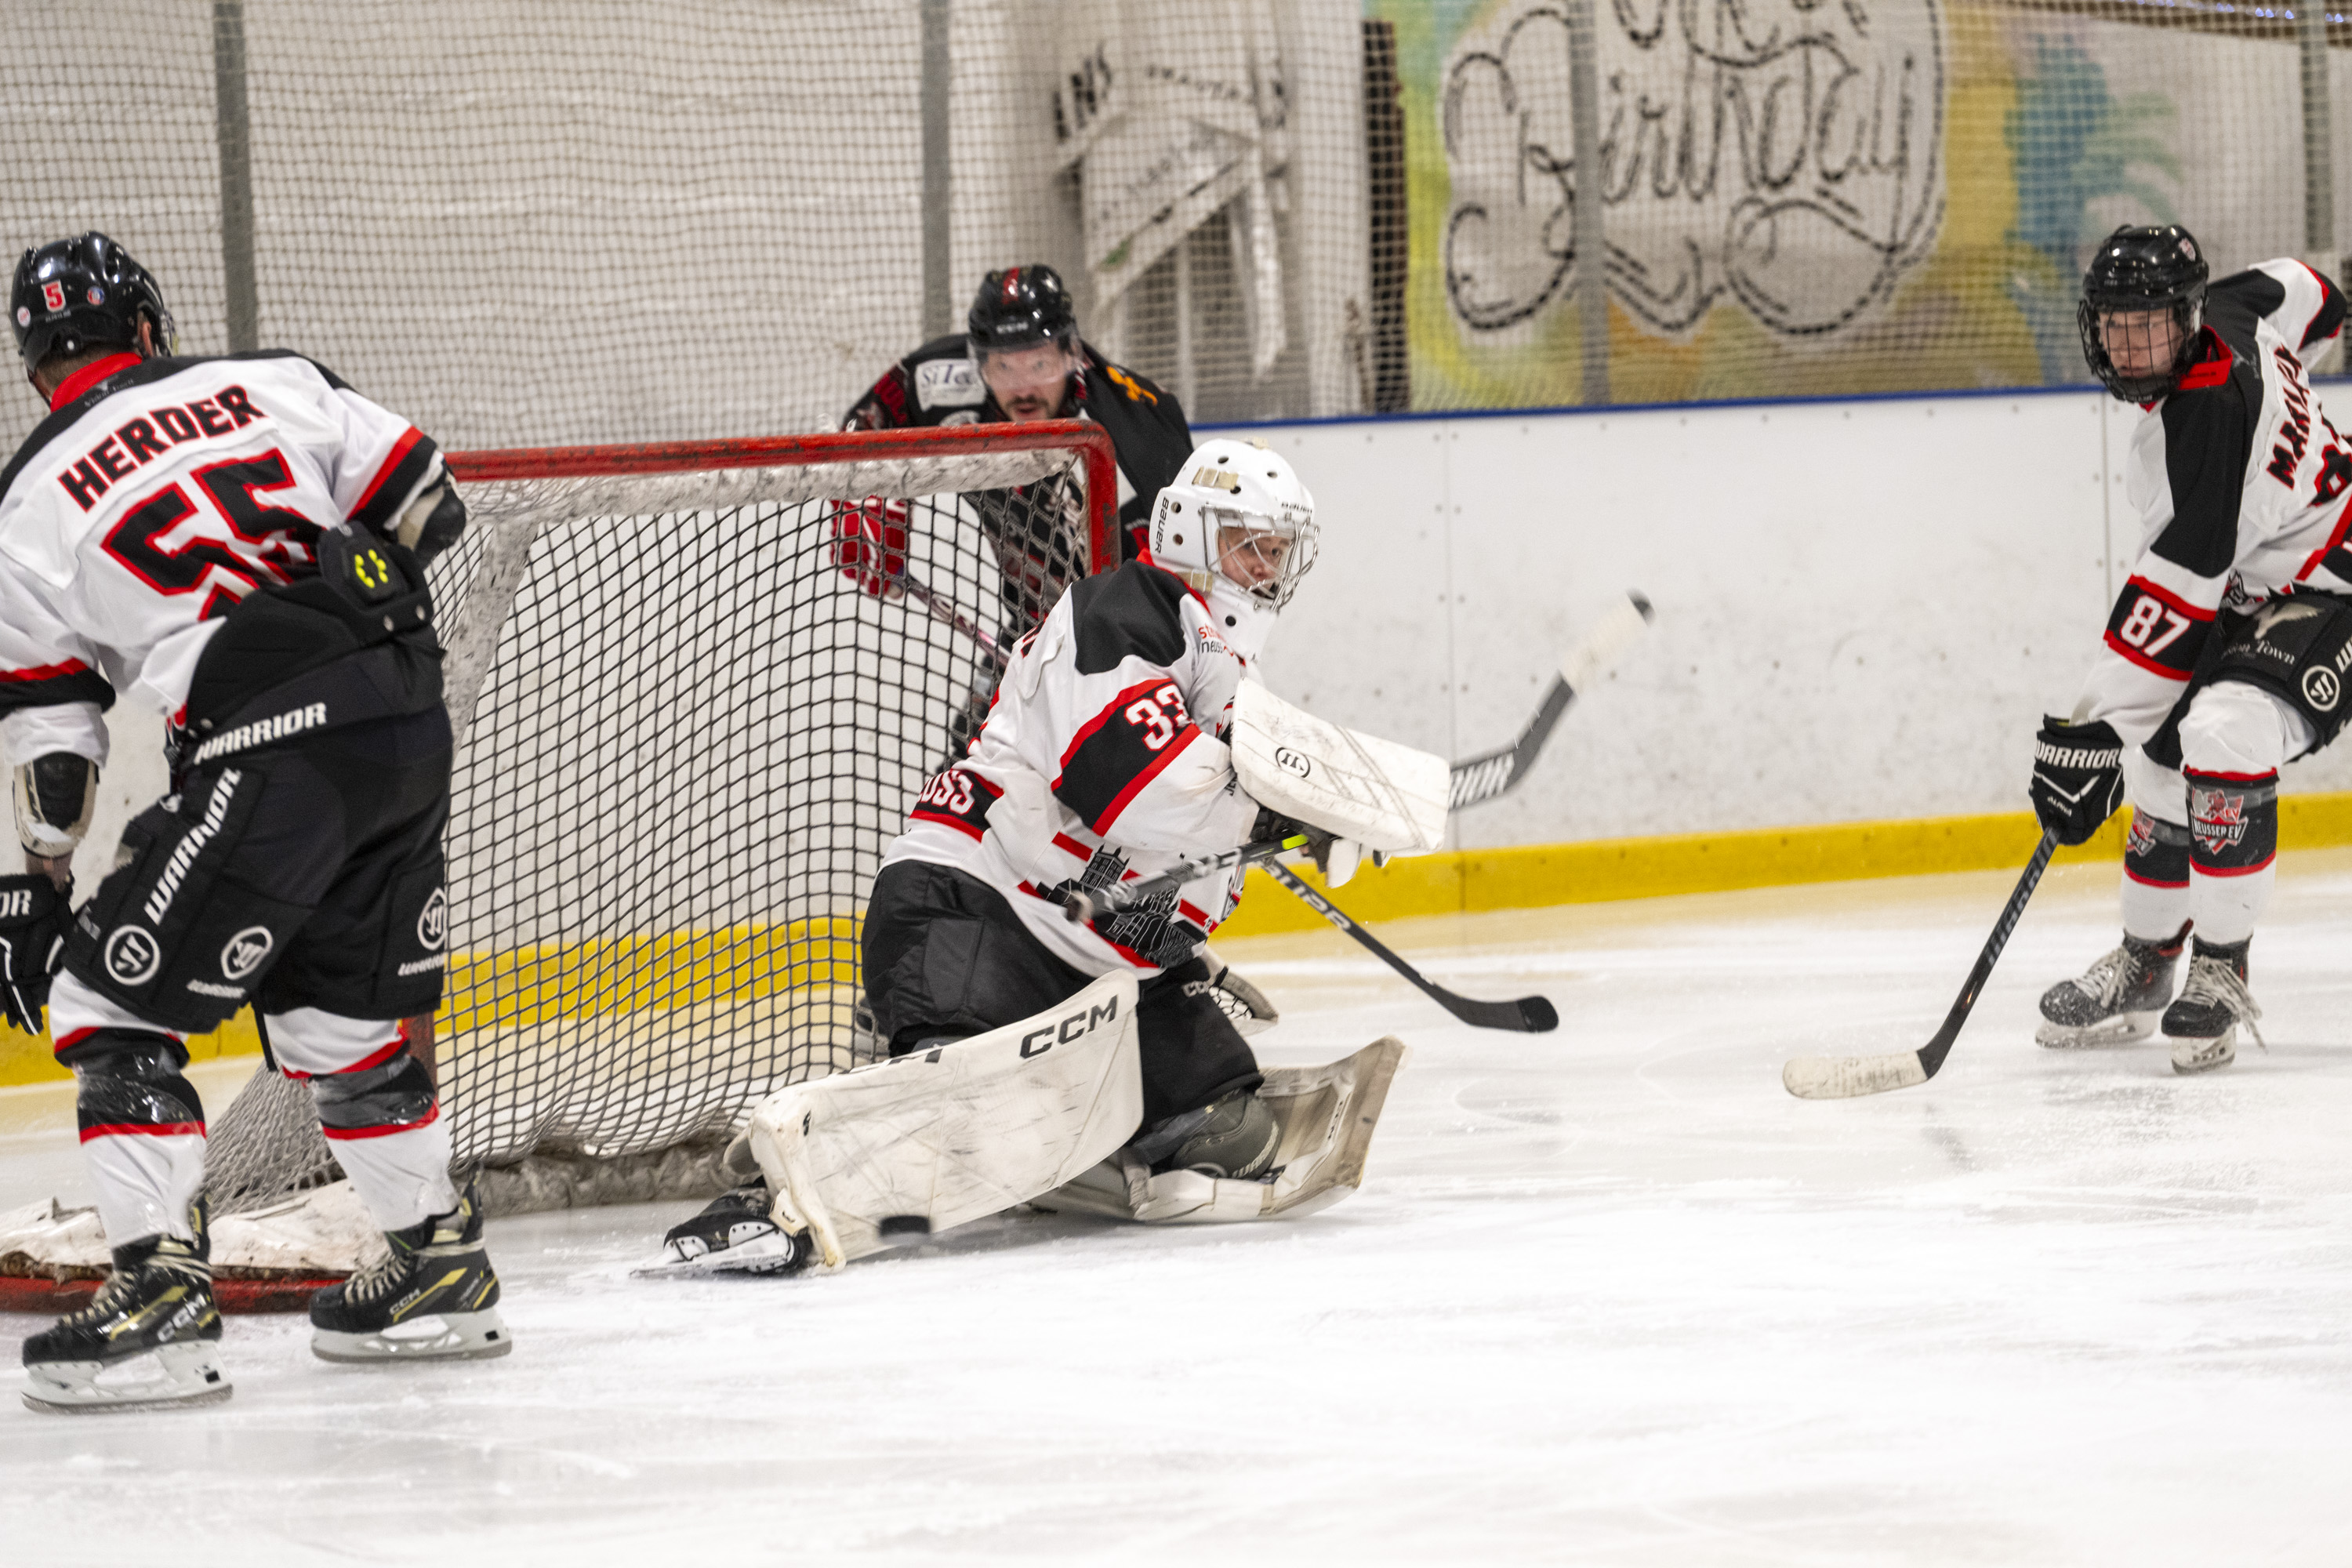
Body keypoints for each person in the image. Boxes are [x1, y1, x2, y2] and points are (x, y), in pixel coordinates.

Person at [0, 233, 506, 1410]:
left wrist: (42, 887)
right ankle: (437, 1266)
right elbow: (434, 509)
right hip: (403, 716)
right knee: (343, 1020)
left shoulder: (26, 500)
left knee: (101, 1001)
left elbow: (56, 747)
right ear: (152, 325)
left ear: (36, 368)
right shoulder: (274, 377)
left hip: (265, 743)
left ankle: (162, 1292)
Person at [662, 439, 1324, 1268]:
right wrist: (1268, 805)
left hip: (1094, 969)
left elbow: (1171, 856)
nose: (1265, 568)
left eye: (1277, 550)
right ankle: (773, 1199)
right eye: (1250, 542)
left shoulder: (1229, 677)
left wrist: (1200, 932)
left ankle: (1060, 1143)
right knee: (943, 1127)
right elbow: (1126, 783)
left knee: (1230, 1132)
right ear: (1190, 531)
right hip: (975, 912)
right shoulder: (1123, 608)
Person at [2031, 225, 2350, 1073]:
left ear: (2188, 316)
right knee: (2166, 758)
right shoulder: (2238, 312)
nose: (2131, 346)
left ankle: (2222, 963)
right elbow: (2309, 290)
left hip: (2335, 584)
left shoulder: (2203, 427)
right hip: (2258, 582)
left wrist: (2090, 730)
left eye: (2151, 326)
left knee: (2225, 730)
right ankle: (2146, 964)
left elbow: (2175, 591)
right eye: (2116, 324)